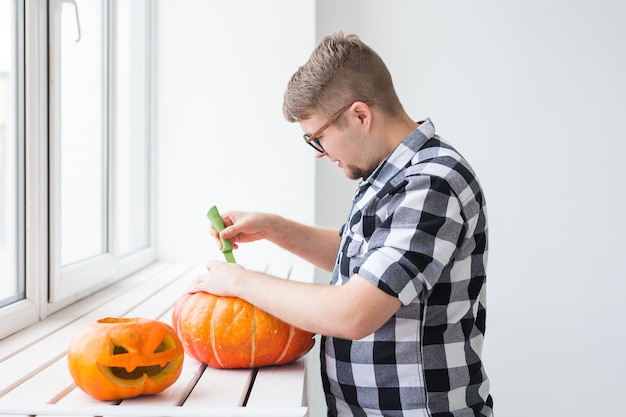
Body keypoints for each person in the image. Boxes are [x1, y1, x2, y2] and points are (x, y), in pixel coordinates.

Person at [188, 32, 493, 417]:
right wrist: (274, 228)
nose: (321, 153)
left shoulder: (432, 182)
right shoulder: (389, 175)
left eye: (317, 139)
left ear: (360, 115)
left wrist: (238, 281)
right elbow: (373, 264)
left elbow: (354, 312)